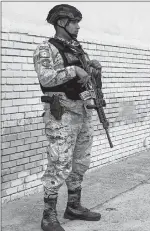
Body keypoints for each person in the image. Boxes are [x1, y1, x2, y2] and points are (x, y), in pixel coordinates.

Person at [33, 4, 102, 231]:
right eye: (74, 22)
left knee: (81, 161)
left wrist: (91, 69)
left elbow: (84, 81)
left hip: (83, 111)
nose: (78, 26)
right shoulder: (47, 48)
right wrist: (75, 70)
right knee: (59, 163)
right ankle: (48, 216)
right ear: (62, 22)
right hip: (61, 114)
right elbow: (46, 78)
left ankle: (73, 205)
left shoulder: (77, 49)